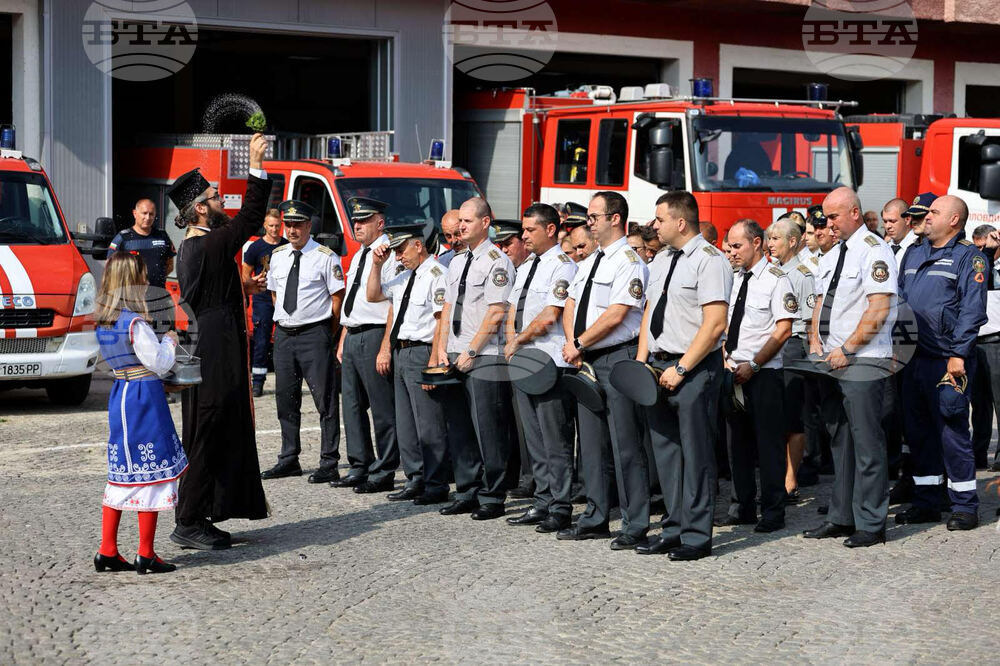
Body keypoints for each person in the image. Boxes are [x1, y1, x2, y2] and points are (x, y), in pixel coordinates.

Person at [170, 133, 270, 550]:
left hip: (214, 342)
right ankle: (188, 520)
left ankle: (205, 512)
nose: (221, 201)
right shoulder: (205, 244)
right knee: (206, 430)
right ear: (199, 208)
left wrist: (240, 290)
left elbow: (208, 289)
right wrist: (255, 164)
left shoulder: (200, 246)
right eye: (214, 197)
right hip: (212, 348)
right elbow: (248, 221)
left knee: (223, 426)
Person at [635, 191, 731, 560]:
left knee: (696, 453)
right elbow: (649, 314)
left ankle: (696, 535)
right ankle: (673, 528)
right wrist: (642, 362)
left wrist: (681, 368)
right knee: (667, 453)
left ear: (680, 222)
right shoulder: (660, 259)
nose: (654, 226)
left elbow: (715, 323)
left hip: (692, 367)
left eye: (659, 220)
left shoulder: (709, 261)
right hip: (659, 364)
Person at [803, 187, 897, 548]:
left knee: (867, 443)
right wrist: (815, 339)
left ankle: (872, 522)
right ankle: (841, 516)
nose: (829, 223)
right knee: (840, 441)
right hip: (830, 359)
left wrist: (848, 348)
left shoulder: (874, 250)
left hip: (863, 360)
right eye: (826, 217)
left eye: (835, 216)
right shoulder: (832, 253)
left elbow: (878, 308)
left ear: (855, 213)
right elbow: (820, 302)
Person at [559, 191, 650, 550]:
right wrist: (573, 345)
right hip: (585, 358)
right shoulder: (588, 262)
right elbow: (570, 302)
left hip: (616, 356)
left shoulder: (628, 261)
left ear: (615, 218)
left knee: (625, 443)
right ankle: (596, 516)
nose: (589, 221)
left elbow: (619, 313)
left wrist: (579, 343)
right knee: (592, 444)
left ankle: (635, 522)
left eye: (595, 215)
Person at [94, 251, 188, 575]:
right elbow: (159, 363)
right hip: (143, 399)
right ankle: (146, 553)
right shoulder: (135, 323)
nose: (147, 282)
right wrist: (171, 343)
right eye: (143, 277)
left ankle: (107, 550)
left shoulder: (104, 322)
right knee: (152, 473)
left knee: (122, 473)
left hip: (120, 396)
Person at [896, 196, 987, 530]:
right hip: (912, 359)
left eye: (934, 212)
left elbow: (972, 310)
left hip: (947, 361)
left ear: (953, 220)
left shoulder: (969, 258)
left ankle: (964, 505)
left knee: (951, 431)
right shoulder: (914, 252)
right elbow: (900, 303)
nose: (926, 217)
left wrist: (959, 353)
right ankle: (926, 501)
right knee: (918, 433)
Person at [434, 196, 515, 520]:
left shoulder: (497, 261)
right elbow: (448, 309)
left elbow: (497, 311)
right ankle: (466, 489)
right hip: (455, 352)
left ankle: (492, 495)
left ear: (485, 223)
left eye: (467, 221)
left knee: (488, 428)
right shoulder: (456, 262)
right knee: (459, 426)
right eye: (459, 221)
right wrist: (442, 348)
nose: (460, 226)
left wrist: (471, 351)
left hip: (483, 356)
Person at [366, 221, 453, 504]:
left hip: (421, 351)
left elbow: (441, 320)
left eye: (401, 249)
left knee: (429, 423)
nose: (398, 256)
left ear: (418, 245)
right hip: (402, 351)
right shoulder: (405, 275)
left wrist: (433, 360)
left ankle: (436, 482)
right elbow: (374, 295)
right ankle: (416, 477)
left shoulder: (437, 273)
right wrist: (377, 265)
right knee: (405, 423)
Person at [503, 203, 578, 533]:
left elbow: (550, 315)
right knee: (533, 437)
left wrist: (517, 341)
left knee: (554, 438)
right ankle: (542, 500)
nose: (524, 236)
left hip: (547, 361)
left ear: (550, 229)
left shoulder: (562, 266)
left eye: (530, 230)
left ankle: (560, 506)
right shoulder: (527, 266)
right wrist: (511, 342)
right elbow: (512, 308)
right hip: (522, 359)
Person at [260, 200, 346, 484]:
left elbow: (337, 299)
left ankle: (329, 461)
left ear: (309, 226)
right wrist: (283, 320)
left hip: (314, 334)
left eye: (298, 225)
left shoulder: (325, 257)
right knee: (286, 399)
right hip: (285, 334)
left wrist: (325, 333)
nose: (292, 230)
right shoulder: (278, 255)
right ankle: (289, 458)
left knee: (326, 402)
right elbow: (275, 293)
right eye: (289, 225)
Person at [719, 219, 795, 532]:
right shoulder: (733, 279)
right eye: (729, 247)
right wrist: (724, 354)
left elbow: (783, 329)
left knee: (768, 445)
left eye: (737, 246)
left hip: (763, 374)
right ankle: (742, 506)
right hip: (731, 370)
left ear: (757, 243)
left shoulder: (777, 280)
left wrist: (755, 364)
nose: (731, 252)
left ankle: (774, 511)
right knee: (737, 445)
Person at [334, 197, 401, 493]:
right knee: (351, 404)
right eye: (355, 221)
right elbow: (353, 301)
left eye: (363, 220)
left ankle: (385, 468)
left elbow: (393, 304)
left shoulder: (389, 254)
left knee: (382, 407)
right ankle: (360, 464)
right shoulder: (361, 253)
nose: (357, 225)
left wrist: (386, 345)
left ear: (380, 223)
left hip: (375, 334)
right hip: (353, 333)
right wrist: (343, 338)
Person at [766, 218, 818, 498]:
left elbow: (810, 323)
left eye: (776, 239)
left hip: (794, 345)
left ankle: (790, 480)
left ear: (793, 241)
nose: (771, 243)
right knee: (775, 416)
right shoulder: (772, 271)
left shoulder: (802, 274)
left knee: (792, 416)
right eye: (770, 238)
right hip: (772, 344)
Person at [109, 198, 176, 332]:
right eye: (144, 213)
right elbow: (111, 270)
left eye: (151, 214)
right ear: (135, 213)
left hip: (158, 299)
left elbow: (169, 265)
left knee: (162, 338)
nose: (148, 217)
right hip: (132, 302)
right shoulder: (123, 238)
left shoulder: (162, 236)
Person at [242, 209, 288, 396]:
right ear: (264, 226)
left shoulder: (287, 245)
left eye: (277, 226)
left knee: (284, 340)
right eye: (271, 226)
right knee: (261, 341)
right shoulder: (256, 247)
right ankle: (258, 382)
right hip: (263, 299)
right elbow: (246, 272)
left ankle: (286, 380)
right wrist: (250, 286)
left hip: (284, 298)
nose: (274, 229)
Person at [971, 224, 1000, 470]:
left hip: (996, 341)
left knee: (999, 401)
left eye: (985, 247)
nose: (981, 251)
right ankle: (978, 453)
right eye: (977, 247)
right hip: (974, 342)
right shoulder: (978, 265)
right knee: (979, 404)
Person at [882, 198, 914, 267]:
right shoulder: (884, 247)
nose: (887, 226)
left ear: (907, 219)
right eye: (885, 221)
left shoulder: (919, 246)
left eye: (892, 221)